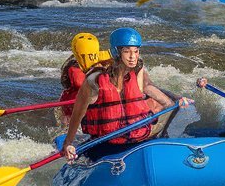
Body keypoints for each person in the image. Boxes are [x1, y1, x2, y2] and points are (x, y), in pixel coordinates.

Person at [61, 28, 191, 161]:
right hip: (108, 142)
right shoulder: (95, 81)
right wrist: (68, 143)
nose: (133, 56)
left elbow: (147, 87)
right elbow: (77, 113)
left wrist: (177, 101)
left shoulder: (138, 71)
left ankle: (166, 147)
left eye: (136, 51)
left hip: (140, 136)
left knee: (174, 109)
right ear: (116, 53)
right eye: (127, 51)